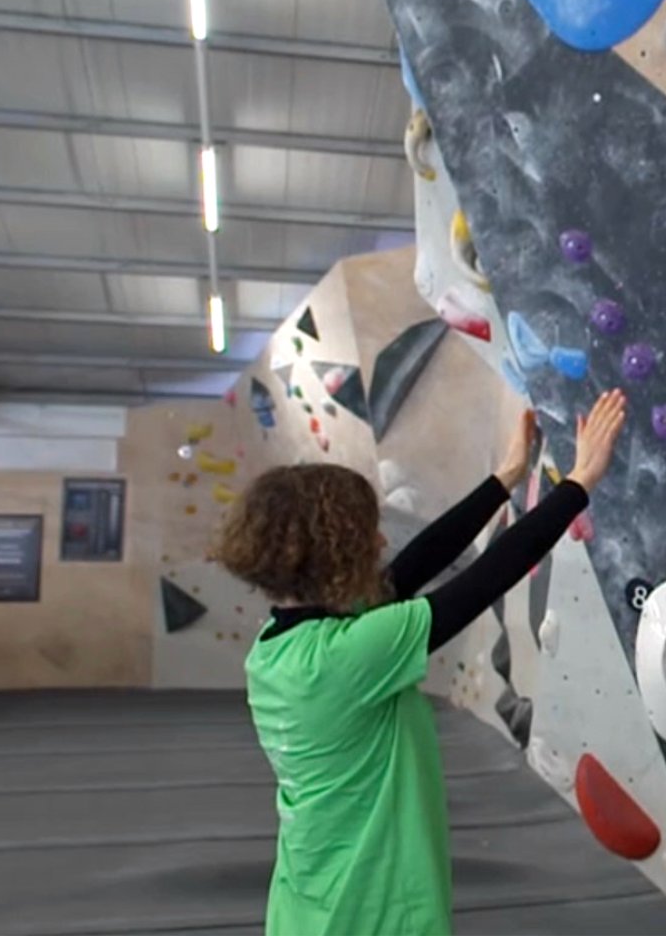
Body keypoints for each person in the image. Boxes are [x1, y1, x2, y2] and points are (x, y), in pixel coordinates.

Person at [213, 390, 627, 936]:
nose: (381, 539)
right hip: (369, 914)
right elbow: (484, 580)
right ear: (336, 556)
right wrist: (580, 482)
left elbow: (412, 567)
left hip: (307, 907)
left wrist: (505, 477)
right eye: (367, 533)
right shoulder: (347, 655)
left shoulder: (276, 648)